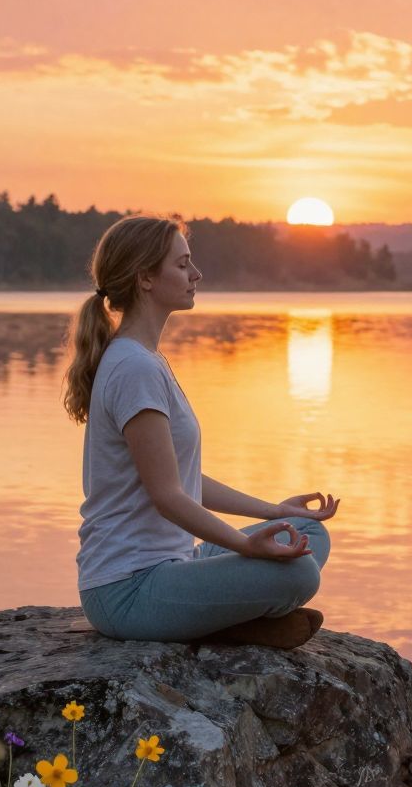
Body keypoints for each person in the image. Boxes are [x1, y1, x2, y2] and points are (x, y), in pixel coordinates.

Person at [63, 213, 338, 648]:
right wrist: (247, 549)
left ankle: (226, 621)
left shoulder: (146, 359)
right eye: (182, 264)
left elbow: (183, 482)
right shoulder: (133, 367)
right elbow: (168, 497)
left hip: (173, 563)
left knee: (305, 533)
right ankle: (236, 624)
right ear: (145, 279)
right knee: (300, 572)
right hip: (127, 589)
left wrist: (272, 511)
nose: (197, 274)